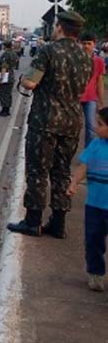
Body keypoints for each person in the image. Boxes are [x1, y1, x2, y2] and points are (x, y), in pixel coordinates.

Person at [8, 11, 92, 238]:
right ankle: (58, 223)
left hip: (46, 121)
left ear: (60, 28)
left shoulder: (49, 51)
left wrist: (24, 79)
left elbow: (30, 83)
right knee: (62, 172)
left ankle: (32, 221)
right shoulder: (87, 56)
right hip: (72, 121)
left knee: (37, 171)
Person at [67, 107, 108, 291]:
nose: (96, 128)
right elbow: (84, 166)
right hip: (94, 205)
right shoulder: (95, 145)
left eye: (100, 124)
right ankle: (95, 273)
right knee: (93, 240)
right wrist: (75, 182)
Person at [80, 32, 104, 148]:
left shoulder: (99, 61)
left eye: (89, 44)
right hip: (75, 97)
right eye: (83, 43)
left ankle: (87, 153)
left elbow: (99, 82)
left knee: (91, 127)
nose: (86, 46)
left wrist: (101, 102)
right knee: (73, 126)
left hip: (90, 98)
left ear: (94, 44)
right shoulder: (75, 60)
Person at [0, 41, 17, 117]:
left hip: (6, 76)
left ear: (5, 46)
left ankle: (4, 110)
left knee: (3, 93)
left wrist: (1, 77)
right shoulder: (13, 53)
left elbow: (4, 66)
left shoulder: (6, 54)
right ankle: (7, 110)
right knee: (8, 93)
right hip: (11, 75)